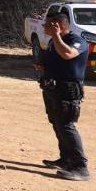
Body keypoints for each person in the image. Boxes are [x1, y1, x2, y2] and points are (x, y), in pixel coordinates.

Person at [37, 12, 91, 181]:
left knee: (67, 125)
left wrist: (56, 36)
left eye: (47, 24)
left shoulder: (77, 41)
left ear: (58, 25)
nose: (44, 27)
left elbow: (68, 54)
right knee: (57, 123)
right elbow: (58, 60)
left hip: (68, 89)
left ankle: (80, 167)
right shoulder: (54, 41)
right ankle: (66, 158)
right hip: (53, 87)